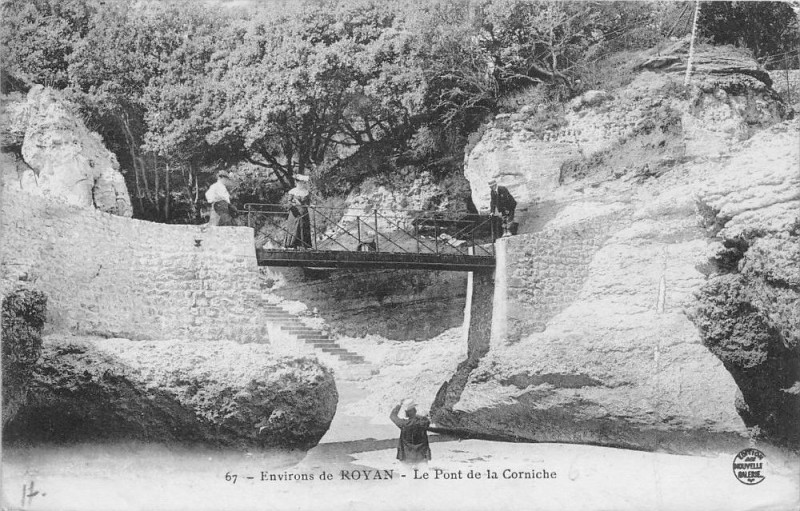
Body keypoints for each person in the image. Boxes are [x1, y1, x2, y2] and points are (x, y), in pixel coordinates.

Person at [390, 399, 431, 465]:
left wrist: (399, 405)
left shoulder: (403, 424)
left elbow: (393, 416)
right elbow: (427, 418)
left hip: (406, 457)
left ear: (406, 413)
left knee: (405, 474)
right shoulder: (423, 422)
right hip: (422, 456)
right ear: (415, 410)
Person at [283, 174, 312, 249]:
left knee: (303, 227)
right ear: (296, 183)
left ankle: (304, 245)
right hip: (294, 212)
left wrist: (309, 205)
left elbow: (308, 203)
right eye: (299, 182)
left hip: (304, 212)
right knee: (294, 227)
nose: (300, 184)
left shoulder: (306, 192)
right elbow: (288, 202)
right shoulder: (292, 192)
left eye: (302, 182)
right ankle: (292, 245)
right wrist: (293, 205)